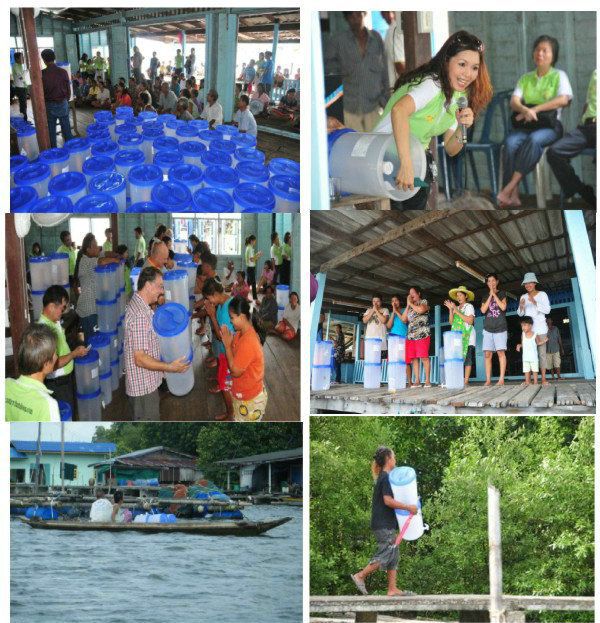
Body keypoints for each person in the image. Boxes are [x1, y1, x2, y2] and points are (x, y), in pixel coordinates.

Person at [375, 30, 492, 209]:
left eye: (474, 68)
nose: (468, 74)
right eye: (462, 64)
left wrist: (462, 127)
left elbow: (451, 149)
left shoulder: (460, 97)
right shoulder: (432, 84)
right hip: (386, 153)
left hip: (415, 157)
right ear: (446, 62)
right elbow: (399, 111)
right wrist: (405, 164)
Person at [497, 35, 573, 207]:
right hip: (527, 126)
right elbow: (514, 102)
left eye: (545, 50)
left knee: (534, 140)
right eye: (537, 50)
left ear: (553, 55)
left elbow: (563, 100)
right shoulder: (526, 78)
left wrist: (535, 109)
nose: (540, 53)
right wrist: (524, 110)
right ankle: (513, 195)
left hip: (551, 127)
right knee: (509, 143)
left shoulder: (559, 76)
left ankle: (509, 187)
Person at [350, 446, 417, 597]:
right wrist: (408, 507)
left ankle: (392, 589)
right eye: (393, 457)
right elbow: (388, 501)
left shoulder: (386, 476)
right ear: (388, 459)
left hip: (387, 523)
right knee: (386, 553)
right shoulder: (385, 477)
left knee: (394, 554)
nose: (395, 459)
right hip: (383, 524)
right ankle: (360, 576)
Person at [124, 267, 190, 419]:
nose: (162, 291)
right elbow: (140, 358)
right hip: (144, 387)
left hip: (145, 382)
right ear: (148, 285)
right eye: (160, 286)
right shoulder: (140, 315)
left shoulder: (138, 304)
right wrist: (170, 367)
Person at [325, 12, 389, 132]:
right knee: (355, 144)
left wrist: (387, 100)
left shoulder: (376, 38)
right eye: (351, 17)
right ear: (347, 19)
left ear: (364, 14)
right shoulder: (340, 40)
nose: (355, 20)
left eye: (358, 15)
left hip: (373, 105)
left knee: (374, 142)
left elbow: (384, 71)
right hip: (350, 106)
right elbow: (328, 67)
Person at [547, 69, 596, 207]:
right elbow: (588, 103)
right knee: (554, 152)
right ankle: (581, 189)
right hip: (587, 127)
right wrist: (582, 122)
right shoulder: (596, 73)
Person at [39, 285, 89, 410]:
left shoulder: (53, 322)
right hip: (58, 384)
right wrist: (74, 354)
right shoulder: (44, 330)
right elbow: (52, 365)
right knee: (65, 414)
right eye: (62, 308)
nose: (62, 312)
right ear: (51, 306)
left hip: (65, 380)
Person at [221, 296, 268, 422]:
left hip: (250, 399)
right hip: (244, 393)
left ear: (241, 317)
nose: (230, 321)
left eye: (232, 318)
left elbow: (235, 372)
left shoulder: (249, 341)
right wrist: (230, 343)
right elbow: (237, 356)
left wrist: (227, 347)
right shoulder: (240, 334)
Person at [6, 324, 61, 422]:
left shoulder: (6, 384)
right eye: (55, 353)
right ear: (46, 364)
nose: (57, 356)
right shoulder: (48, 405)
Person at [74, 233, 120, 341]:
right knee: (92, 342)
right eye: (94, 245)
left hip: (94, 307)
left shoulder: (93, 256)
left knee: (97, 340)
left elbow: (106, 253)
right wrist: (116, 260)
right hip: (88, 309)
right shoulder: (85, 261)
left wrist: (116, 255)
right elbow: (102, 261)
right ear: (88, 249)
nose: (97, 247)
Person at [202, 278, 236, 421]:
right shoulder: (224, 303)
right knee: (225, 383)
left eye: (209, 299)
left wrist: (212, 315)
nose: (209, 302)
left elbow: (221, 337)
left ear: (215, 293)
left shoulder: (227, 308)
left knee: (225, 386)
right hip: (225, 354)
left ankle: (230, 413)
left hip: (230, 354)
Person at [517, 272, 551, 386]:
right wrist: (521, 307)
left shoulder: (542, 294)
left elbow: (547, 310)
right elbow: (520, 314)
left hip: (540, 329)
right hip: (527, 331)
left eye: (530, 282)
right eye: (526, 283)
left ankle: (544, 379)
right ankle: (528, 380)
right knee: (527, 354)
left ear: (535, 283)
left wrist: (535, 302)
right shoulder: (523, 297)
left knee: (541, 354)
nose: (528, 285)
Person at [40, 49, 73, 148]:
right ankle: (71, 149)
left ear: (44, 60)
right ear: (54, 58)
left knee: (51, 130)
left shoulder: (42, 74)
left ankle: (53, 151)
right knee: (66, 128)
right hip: (62, 103)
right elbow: (68, 89)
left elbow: (41, 92)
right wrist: (65, 100)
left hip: (49, 104)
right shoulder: (63, 72)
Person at [445, 286, 476, 386]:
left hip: (468, 337)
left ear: (466, 296)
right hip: (457, 338)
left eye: (460, 295)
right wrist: (451, 310)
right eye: (457, 296)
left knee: (467, 360)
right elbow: (451, 322)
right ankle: (458, 379)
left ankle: (466, 381)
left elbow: (470, 321)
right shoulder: (456, 308)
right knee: (457, 359)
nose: (458, 297)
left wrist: (456, 311)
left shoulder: (469, 306)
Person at [480, 273, 508, 386]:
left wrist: (494, 295)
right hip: (488, 329)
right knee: (487, 354)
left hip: (500, 327)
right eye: (489, 281)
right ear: (487, 283)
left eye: (493, 281)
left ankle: (501, 379)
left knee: (501, 352)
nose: (491, 283)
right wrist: (490, 296)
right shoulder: (485, 296)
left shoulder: (502, 293)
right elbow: (483, 310)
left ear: (497, 282)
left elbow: (503, 307)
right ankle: (488, 380)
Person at [405, 287, 430, 388]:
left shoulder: (423, 302)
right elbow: (403, 319)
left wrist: (410, 304)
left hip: (422, 334)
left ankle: (427, 380)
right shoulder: (410, 307)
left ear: (419, 293)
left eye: (413, 293)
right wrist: (408, 305)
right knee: (414, 359)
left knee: (424, 357)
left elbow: (421, 310)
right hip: (411, 336)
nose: (411, 295)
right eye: (410, 294)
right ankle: (417, 380)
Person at [381, 11, 406, 92]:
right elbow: (400, 65)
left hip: (396, 89)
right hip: (402, 89)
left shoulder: (392, 29)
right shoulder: (397, 30)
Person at [516, 316, 542, 386]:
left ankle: (536, 382)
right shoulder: (523, 335)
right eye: (522, 326)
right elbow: (523, 344)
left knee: (534, 370)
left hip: (533, 357)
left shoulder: (535, 334)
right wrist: (519, 345)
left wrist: (544, 341)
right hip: (525, 357)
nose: (523, 327)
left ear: (530, 326)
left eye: (524, 325)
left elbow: (538, 343)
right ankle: (527, 381)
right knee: (526, 370)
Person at [11, 52, 30, 122]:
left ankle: (24, 119)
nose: (23, 59)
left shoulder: (20, 65)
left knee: (23, 104)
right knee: (23, 104)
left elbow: (22, 75)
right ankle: (24, 120)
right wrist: (27, 71)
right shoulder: (15, 66)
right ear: (16, 58)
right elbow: (21, 77)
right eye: (22, 57)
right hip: (20, 88)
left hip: (23, 87)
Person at [244, 235, 263, 300]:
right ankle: (255, 298)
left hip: (249, 268)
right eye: (254, 241)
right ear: (252, 241)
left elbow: (251, 258)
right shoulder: (250, 249)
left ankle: (245, 295)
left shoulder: (248, 247)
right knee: (253, 283)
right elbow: (252, 259)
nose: (255, 242)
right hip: (251, 268)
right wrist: (258, 256)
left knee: (248, 283)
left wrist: (257, 254)